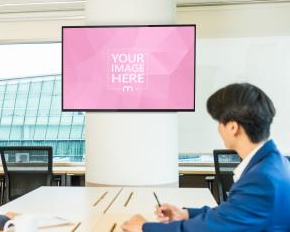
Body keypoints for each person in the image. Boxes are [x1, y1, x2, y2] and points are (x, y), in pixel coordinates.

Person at [122, 83, 290, 232]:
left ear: (233, 127)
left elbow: (213, 228)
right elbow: (232, 213)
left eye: (220, 123)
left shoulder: (261, 178)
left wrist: (145, 228)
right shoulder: (273, 163)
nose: (219, 129)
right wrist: (186, 214)